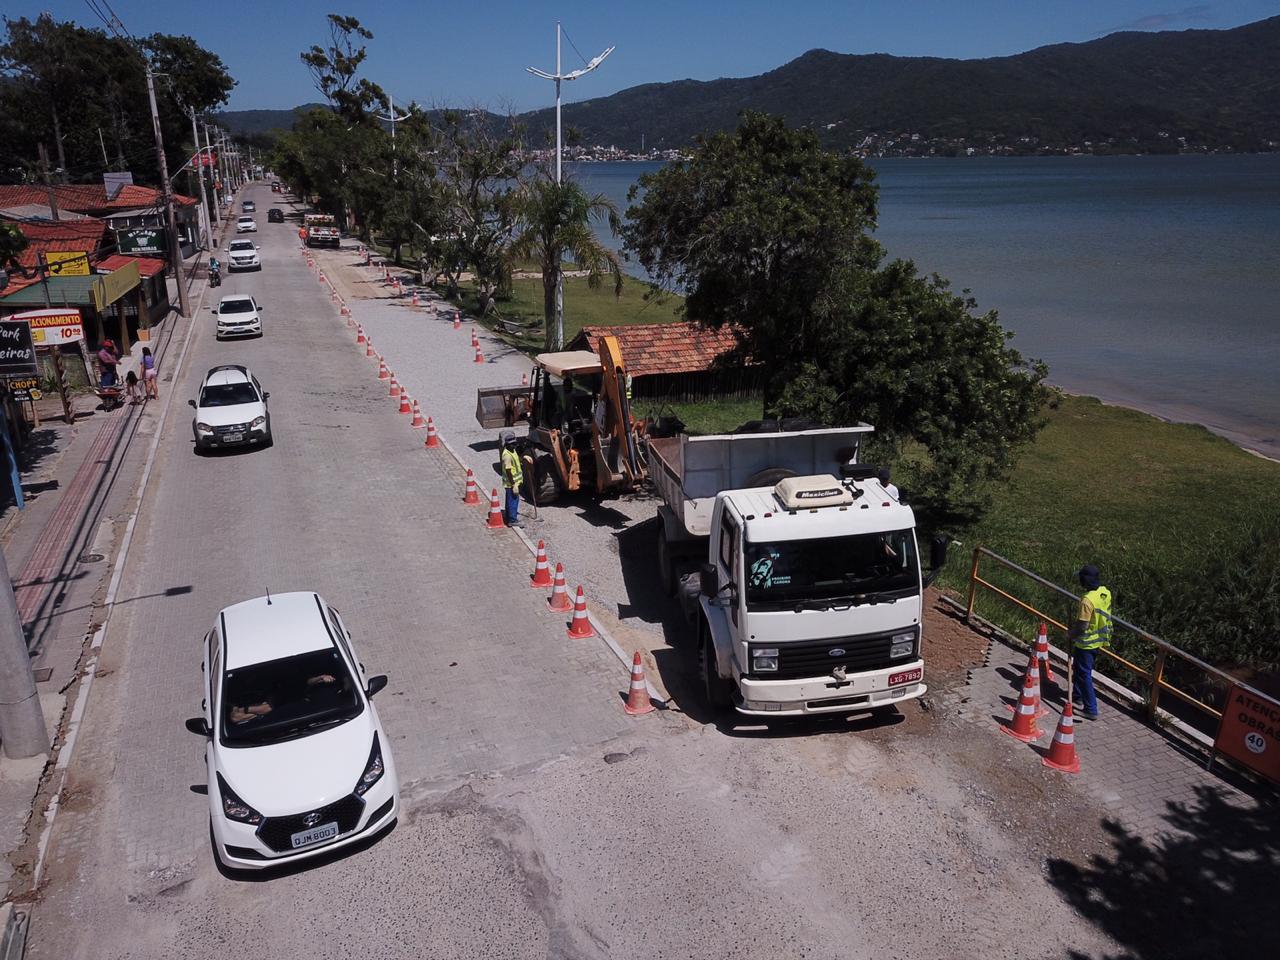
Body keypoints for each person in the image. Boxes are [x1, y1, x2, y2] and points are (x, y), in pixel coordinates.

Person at [1067, 564, 1113, 720]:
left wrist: (1071, 635)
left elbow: (1082, 625)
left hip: (1086, 643)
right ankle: (1077, 696)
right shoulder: (1105, 592)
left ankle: (1090, 709)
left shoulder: (1087, 601)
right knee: (1081, 671)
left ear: (1084, 580)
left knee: (1084, 674)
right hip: (1099, 641)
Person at [499, 430, 523, 527]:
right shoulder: (507, 455)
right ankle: (512, 520)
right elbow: (508, 471)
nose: (514, 446)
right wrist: (514, 485)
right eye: (512, 444)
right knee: (513, 501)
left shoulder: (512, 451)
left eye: (515, 444)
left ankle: (509, 516)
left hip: (514, 482)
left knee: (510, 500)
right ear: (507, 445)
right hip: (511, 483)